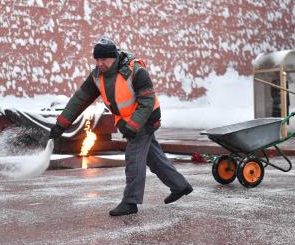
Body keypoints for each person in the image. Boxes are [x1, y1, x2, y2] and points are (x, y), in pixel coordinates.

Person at [49, 37, 193, 215]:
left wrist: (132, 126)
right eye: (97, 59)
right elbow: (79, 99)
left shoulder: (135, 71)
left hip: (145, 119)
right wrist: (61, 124)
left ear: (114, 57)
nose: (100, 63)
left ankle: (130, 202)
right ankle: (180, 186)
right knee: (153, 158)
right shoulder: (97, 76)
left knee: (133, 157)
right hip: (129, 123)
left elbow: (147, 101)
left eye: (104, 60)